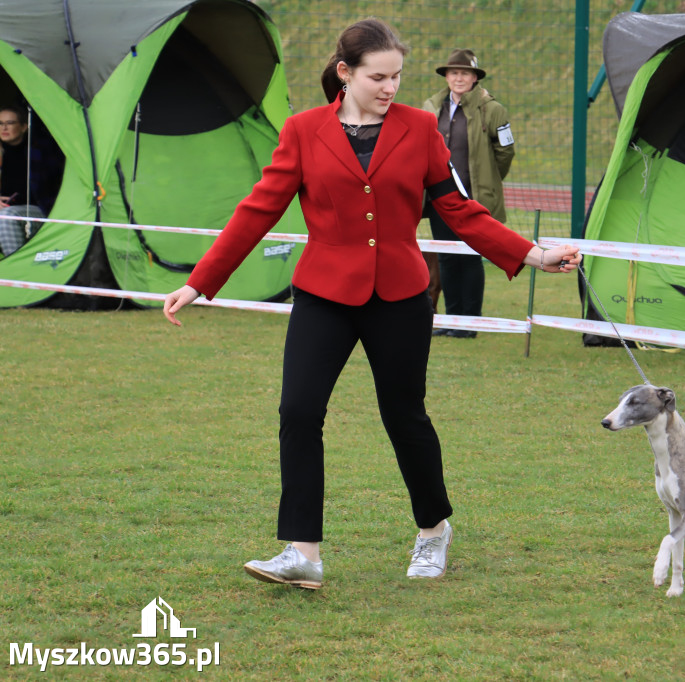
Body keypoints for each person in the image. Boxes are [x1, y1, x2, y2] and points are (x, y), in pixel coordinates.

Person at [162, 18, 581, 590]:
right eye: (378, 77)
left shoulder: (420, 129)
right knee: (299, 412)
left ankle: (434, 531)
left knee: (403, 415)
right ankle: (303, 553)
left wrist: (533, 255)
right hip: (323, 294)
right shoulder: (303, 131)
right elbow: (257, 210)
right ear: (345, 73)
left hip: (401, 296)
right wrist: (200, 280)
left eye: (397, 76)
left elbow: (458, 211)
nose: (391, 87)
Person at [423, 49, 515, 338]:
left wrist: (487, 182)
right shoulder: (431, 107)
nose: (459, 78)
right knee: (448, 258)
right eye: (454, 73)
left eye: (465, 73)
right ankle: (453, 321)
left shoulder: (493, 109)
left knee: (471, 257)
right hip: (440, 199)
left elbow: (505, 152)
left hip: (474, 200)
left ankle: (470, 323)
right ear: (446, 76)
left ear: (475, 78)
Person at [0, 104, 64, 257]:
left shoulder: (41, 150)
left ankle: (15, 267)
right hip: (6, 209)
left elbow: (51, 188)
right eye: (0, 123)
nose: (4, 128)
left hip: (39, 210)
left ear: (23, 127)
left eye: (10, 123)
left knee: (7, 215)